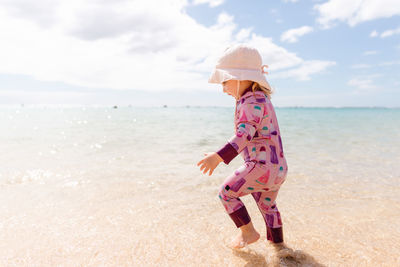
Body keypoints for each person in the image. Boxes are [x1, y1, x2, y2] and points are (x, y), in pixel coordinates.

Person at [197, 44, 288, 249]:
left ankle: (248, 232)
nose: (223, 89)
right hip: (279, 168)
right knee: (268, 206)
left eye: (225, 82)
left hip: (261, 166)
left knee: (226, 192)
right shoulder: (262, 99)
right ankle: (280, 247)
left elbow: (243, 136)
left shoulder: (250, 101)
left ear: (241, 77)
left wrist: (217, 157)